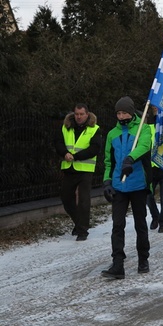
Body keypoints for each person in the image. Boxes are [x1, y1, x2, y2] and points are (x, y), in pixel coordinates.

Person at [101, 96, 153, 279]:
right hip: (119, 186)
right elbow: (108, 160)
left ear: (131, 113)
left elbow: (145, 146)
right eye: (119, 113)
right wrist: (107, 182)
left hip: (138, 184)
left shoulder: (143, 129)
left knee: (140, 224)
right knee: (117, 225)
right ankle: (117, 264)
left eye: (125, 112)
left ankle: (143, 258)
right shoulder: (112, 134)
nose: (121, 116)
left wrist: (131, 158)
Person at [56, 103, 102, 241]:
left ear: (87, 114)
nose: (79, 117)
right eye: (77, 114)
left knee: (83, 200)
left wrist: (76, 156)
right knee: (66, 198)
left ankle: (82, 231)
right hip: (69, 168)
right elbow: (58, 142)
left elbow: (95, 148)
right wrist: (65, 153)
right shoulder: (66, 127)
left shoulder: (94, 129)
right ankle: (79, 222)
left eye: (82, 114)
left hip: (85, 169)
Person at [146, 106, 163, 233]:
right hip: (150, 169)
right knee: (148, 196)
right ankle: (155, 217)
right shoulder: (147, 127)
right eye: (153, 107)